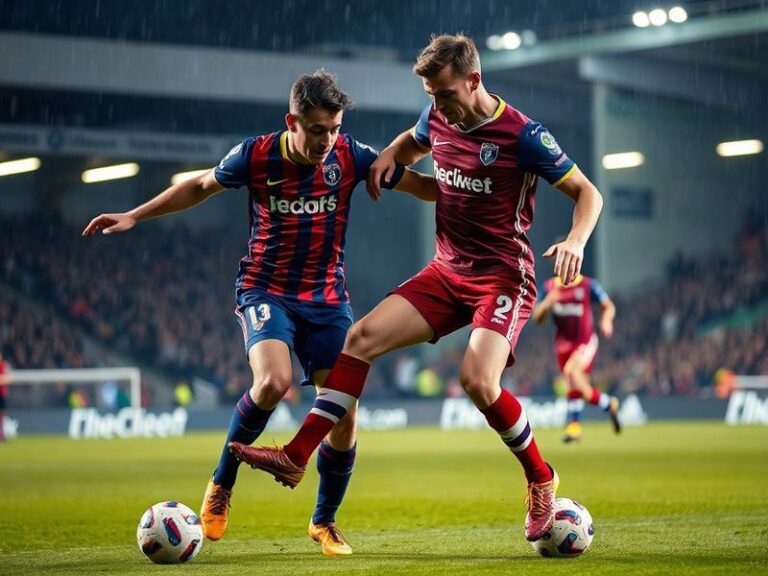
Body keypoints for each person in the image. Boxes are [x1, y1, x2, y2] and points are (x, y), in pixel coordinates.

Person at [229, 34, 604, 543]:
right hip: (447, 271)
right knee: (359, 340)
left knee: (478, 380)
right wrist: (388, 156)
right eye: (429, 95)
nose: (436, 106)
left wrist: (576, 240)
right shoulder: (437, 116)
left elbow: (587, 191)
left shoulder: (523, 136)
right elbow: (413, 138)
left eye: (444, 93)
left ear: (473, 81)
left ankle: (540, 476)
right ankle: (296, 455)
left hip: (501, 275)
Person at [82, 70, 438, 556]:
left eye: (334, 129)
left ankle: (324, 522)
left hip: (327, 298)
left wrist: (480, 192)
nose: (327, 140)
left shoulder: (351, 155)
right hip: (265, 290)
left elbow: (417, 185)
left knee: (344, 415)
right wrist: (136, 215)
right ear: (291, 121)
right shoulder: (255, 154)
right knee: (272, 382)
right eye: (317, 130)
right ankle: (222, 483)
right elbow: (200, 186)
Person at [532, 271, 620, 443]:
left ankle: (599, 409)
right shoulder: (549, 287)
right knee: (576, 385)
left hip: (585, 342)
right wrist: (548, 302)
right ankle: (603, 407)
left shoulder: (588, 285)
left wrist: (606, 320)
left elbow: (609, 306)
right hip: (562, 346)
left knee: (572, 372)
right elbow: (537, 318)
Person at [0, 352, 10, 442]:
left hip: (2, 394)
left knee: (2, 414)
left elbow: (8, 378)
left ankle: (2, 433)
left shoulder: (3, 365)